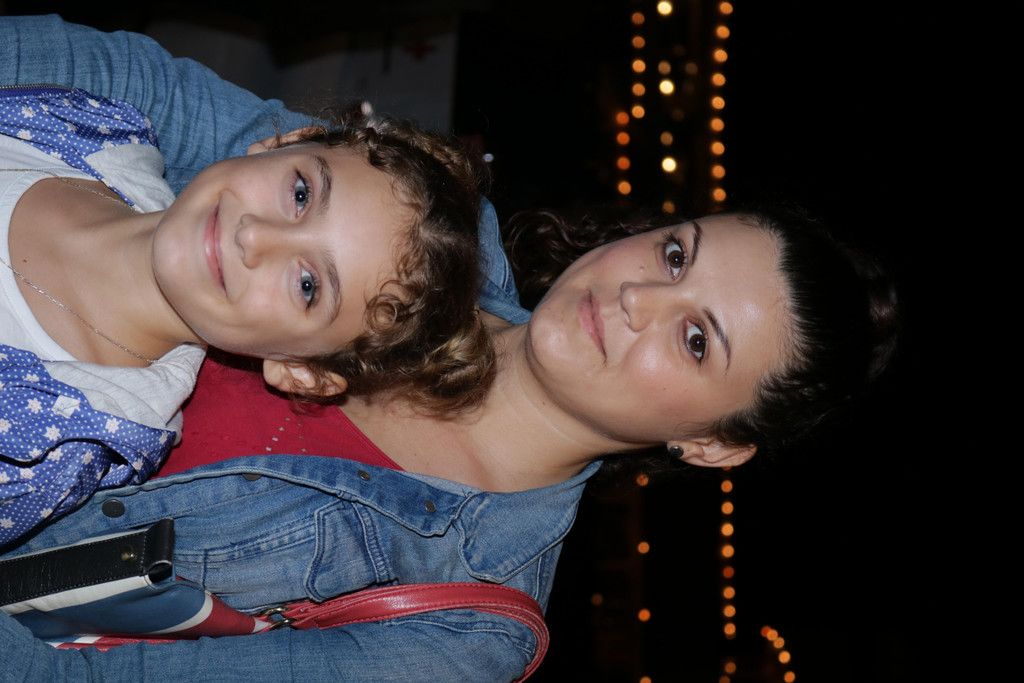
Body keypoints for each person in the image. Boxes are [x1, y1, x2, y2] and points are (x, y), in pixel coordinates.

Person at [0, 15, 897, 682]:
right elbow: (129, 88)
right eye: (674, 255)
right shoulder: (432, 223)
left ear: (711, 444)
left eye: (696, 339)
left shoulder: (466, 626)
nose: (637, 299)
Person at [0, 83, 492, 545]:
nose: (255, 236)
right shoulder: (91, 128)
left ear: (303, 372)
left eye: (308, 286)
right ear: (284, 143)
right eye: (301, 194)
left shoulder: (54, 446)